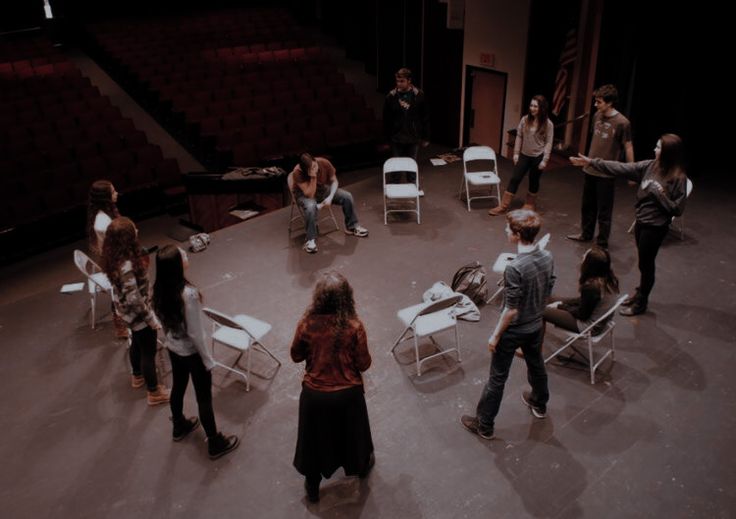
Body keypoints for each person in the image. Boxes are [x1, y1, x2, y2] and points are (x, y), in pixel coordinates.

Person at [461, 209, 555, 439]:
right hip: (535, 325)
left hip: (514, 331)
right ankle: (539, 403)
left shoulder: (515, 267)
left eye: (507, 228)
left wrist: (495, 336)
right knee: (536, 364)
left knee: (497, 378)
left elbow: (511, 309)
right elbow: (549, 287)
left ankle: (484, 424)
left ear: (516, 234)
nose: (504, 230)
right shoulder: (548, 256)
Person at [569, 133, 687, 316]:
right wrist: (593, 162)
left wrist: (659, 193)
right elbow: (622, 167)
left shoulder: (678, 178)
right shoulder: (650, 166)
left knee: (647, 265)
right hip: (641, 221)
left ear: (668, 152)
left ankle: (641, 302)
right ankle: (640, 293)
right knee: (643, 262)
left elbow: (677, 209)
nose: (654, 149)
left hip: (655, 227)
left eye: (658, 147)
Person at [291, 271, 374, 503]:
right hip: (348, 395)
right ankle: (361, 465)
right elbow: (364, 364)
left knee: (314, 442)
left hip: (315, 395)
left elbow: (295, 355)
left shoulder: (306, 324)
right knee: (354, 434)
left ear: (318, 297)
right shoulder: (354, 326)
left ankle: (313, 486)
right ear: (347, 298)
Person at [152, 245, 239, 459]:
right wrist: (208, 360)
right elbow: (196, 333)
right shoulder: (188, 294)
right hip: (192, 354)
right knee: (204, 399)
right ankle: (215, 442)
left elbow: (163, 322)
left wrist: (171, 340)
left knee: (178, 387)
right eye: (183, 255)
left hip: (174, 348)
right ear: (176, 266)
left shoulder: (159, 289)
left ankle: (179, 424)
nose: (186, 255)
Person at [101, 216, 169, 405]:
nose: (137, 232)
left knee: (136, 345)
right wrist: (151, 319)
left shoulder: (114, 259)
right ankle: (154, 392)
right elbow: (134, 299)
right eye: (134, 230)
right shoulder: (127, 266)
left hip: (128, 315)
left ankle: (137, 376)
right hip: (138, 316)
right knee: (148, 352)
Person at [566, 84, 634, 248]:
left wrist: (632, 171)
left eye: (599, 102)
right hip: (590, 169)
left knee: (604, 210)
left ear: (610, 103)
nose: (596, 105)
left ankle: (602, 242)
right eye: (595, 101)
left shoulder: (622, 122)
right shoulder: (597, 116)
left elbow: (628, 146)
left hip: (606, 173)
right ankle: (586, 234)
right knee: (587, 206)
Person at [291, 152, 368, 254]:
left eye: (315, 165)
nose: (315, 169)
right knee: (310, 207)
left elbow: (334, 181)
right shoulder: (297, 172)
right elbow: (309, 194)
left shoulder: (324, 162)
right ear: (305, 170)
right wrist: (313, 177)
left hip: (321, 190)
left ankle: (352, 227)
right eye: (311, 169)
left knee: (347, 196)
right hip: (304, 194)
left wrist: (330, 198)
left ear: (315, 161)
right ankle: (310, 240)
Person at [489, 95, 554, 216]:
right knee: (515, 178)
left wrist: (545, 160)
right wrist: (516, 153)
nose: (532, 108)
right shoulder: (525, 120)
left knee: (533, 180)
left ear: (542, 108)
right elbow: (519, 136)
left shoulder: (548, 124)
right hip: (524, 155)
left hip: (538, 157)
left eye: (535, 106)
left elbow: (549, 142)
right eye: (531, 105)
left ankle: (529, 205)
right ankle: (503, 206)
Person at [543, 246, 619, 334]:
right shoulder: (608, 278)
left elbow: (582, 315)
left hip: (587, 327)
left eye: (585, 256)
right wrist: (562, 302)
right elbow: (585, 302)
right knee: (550, 299)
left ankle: (535, 346)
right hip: (598, 320)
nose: (582, 256)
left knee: (541, 311)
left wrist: (560, 306)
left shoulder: (592, 287)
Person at [87, 180, 128, 338]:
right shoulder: (103, 223)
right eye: (113, 192)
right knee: (121, 292)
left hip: (115, 258)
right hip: (115, 263)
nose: (116, 193)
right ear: (105, 198)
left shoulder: (107, 214)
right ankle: (121, 322)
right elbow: (117, 247)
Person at [383, 67, 429, 183]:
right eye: (397, 81)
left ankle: (413, 185)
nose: (399, 84)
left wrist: (425, 137)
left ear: (409, 81)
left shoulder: (419, 95)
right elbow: (386, 120)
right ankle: (394, 185)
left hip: (413, 136)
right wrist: (386, 139)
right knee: (396, 164)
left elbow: (425, 117)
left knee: (411, 163)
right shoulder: (391, 96)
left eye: (402, 81)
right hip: (396, 137)